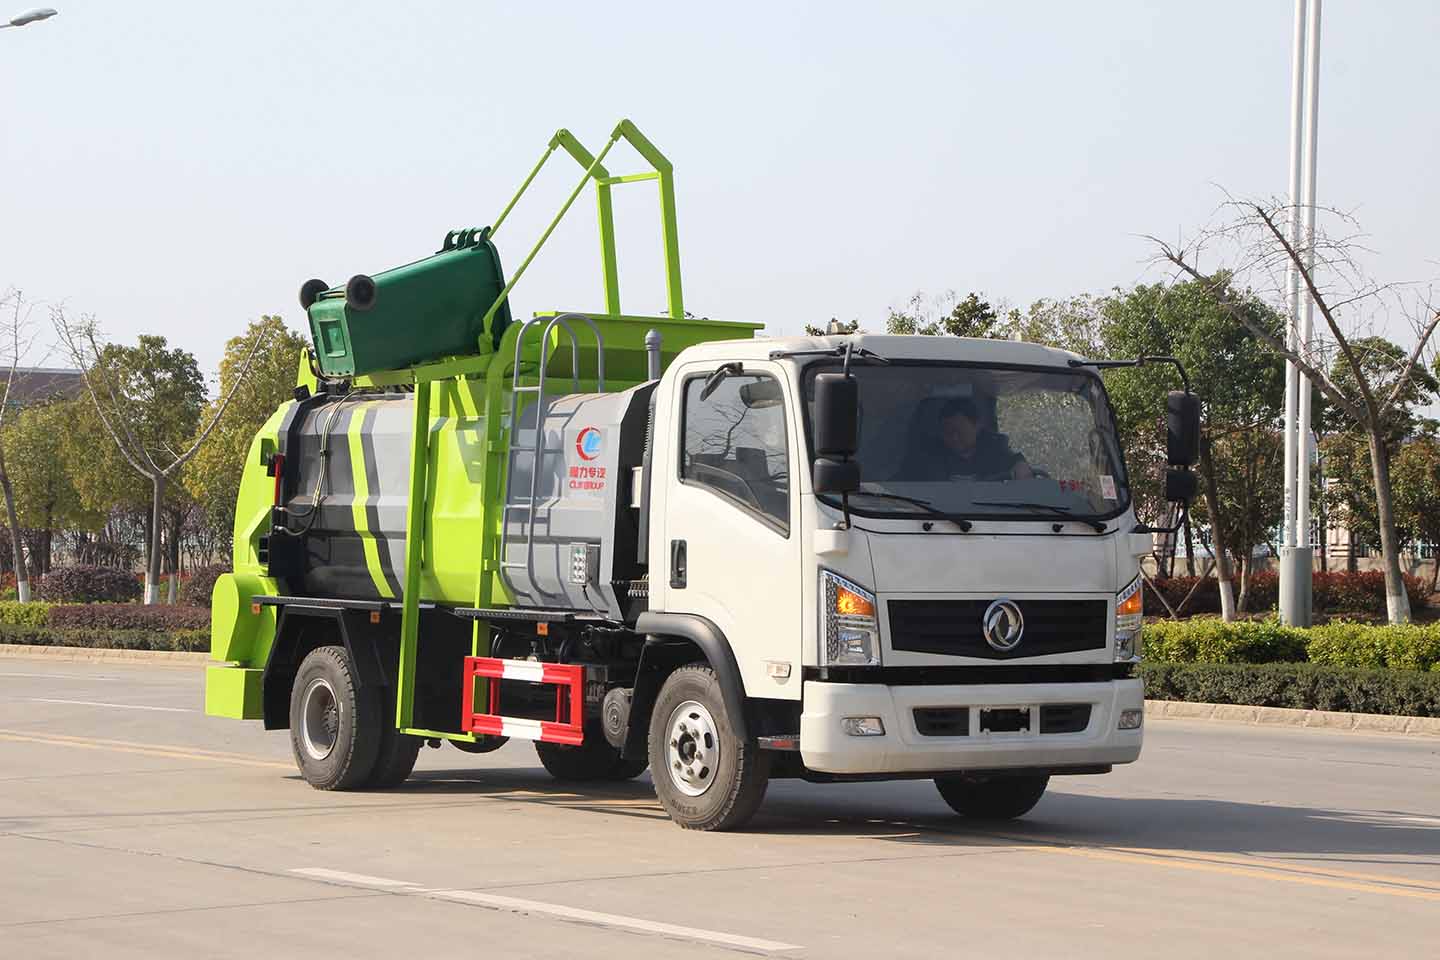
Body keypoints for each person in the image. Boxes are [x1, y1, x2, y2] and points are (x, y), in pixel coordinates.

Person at [906, 396, 1033, 481]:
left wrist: (1020, 464)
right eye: (947, 432)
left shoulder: (996, 450)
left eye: (959, 431)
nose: (954, 438)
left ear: (977, 425)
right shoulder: (928, 455)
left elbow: (1014, 461)